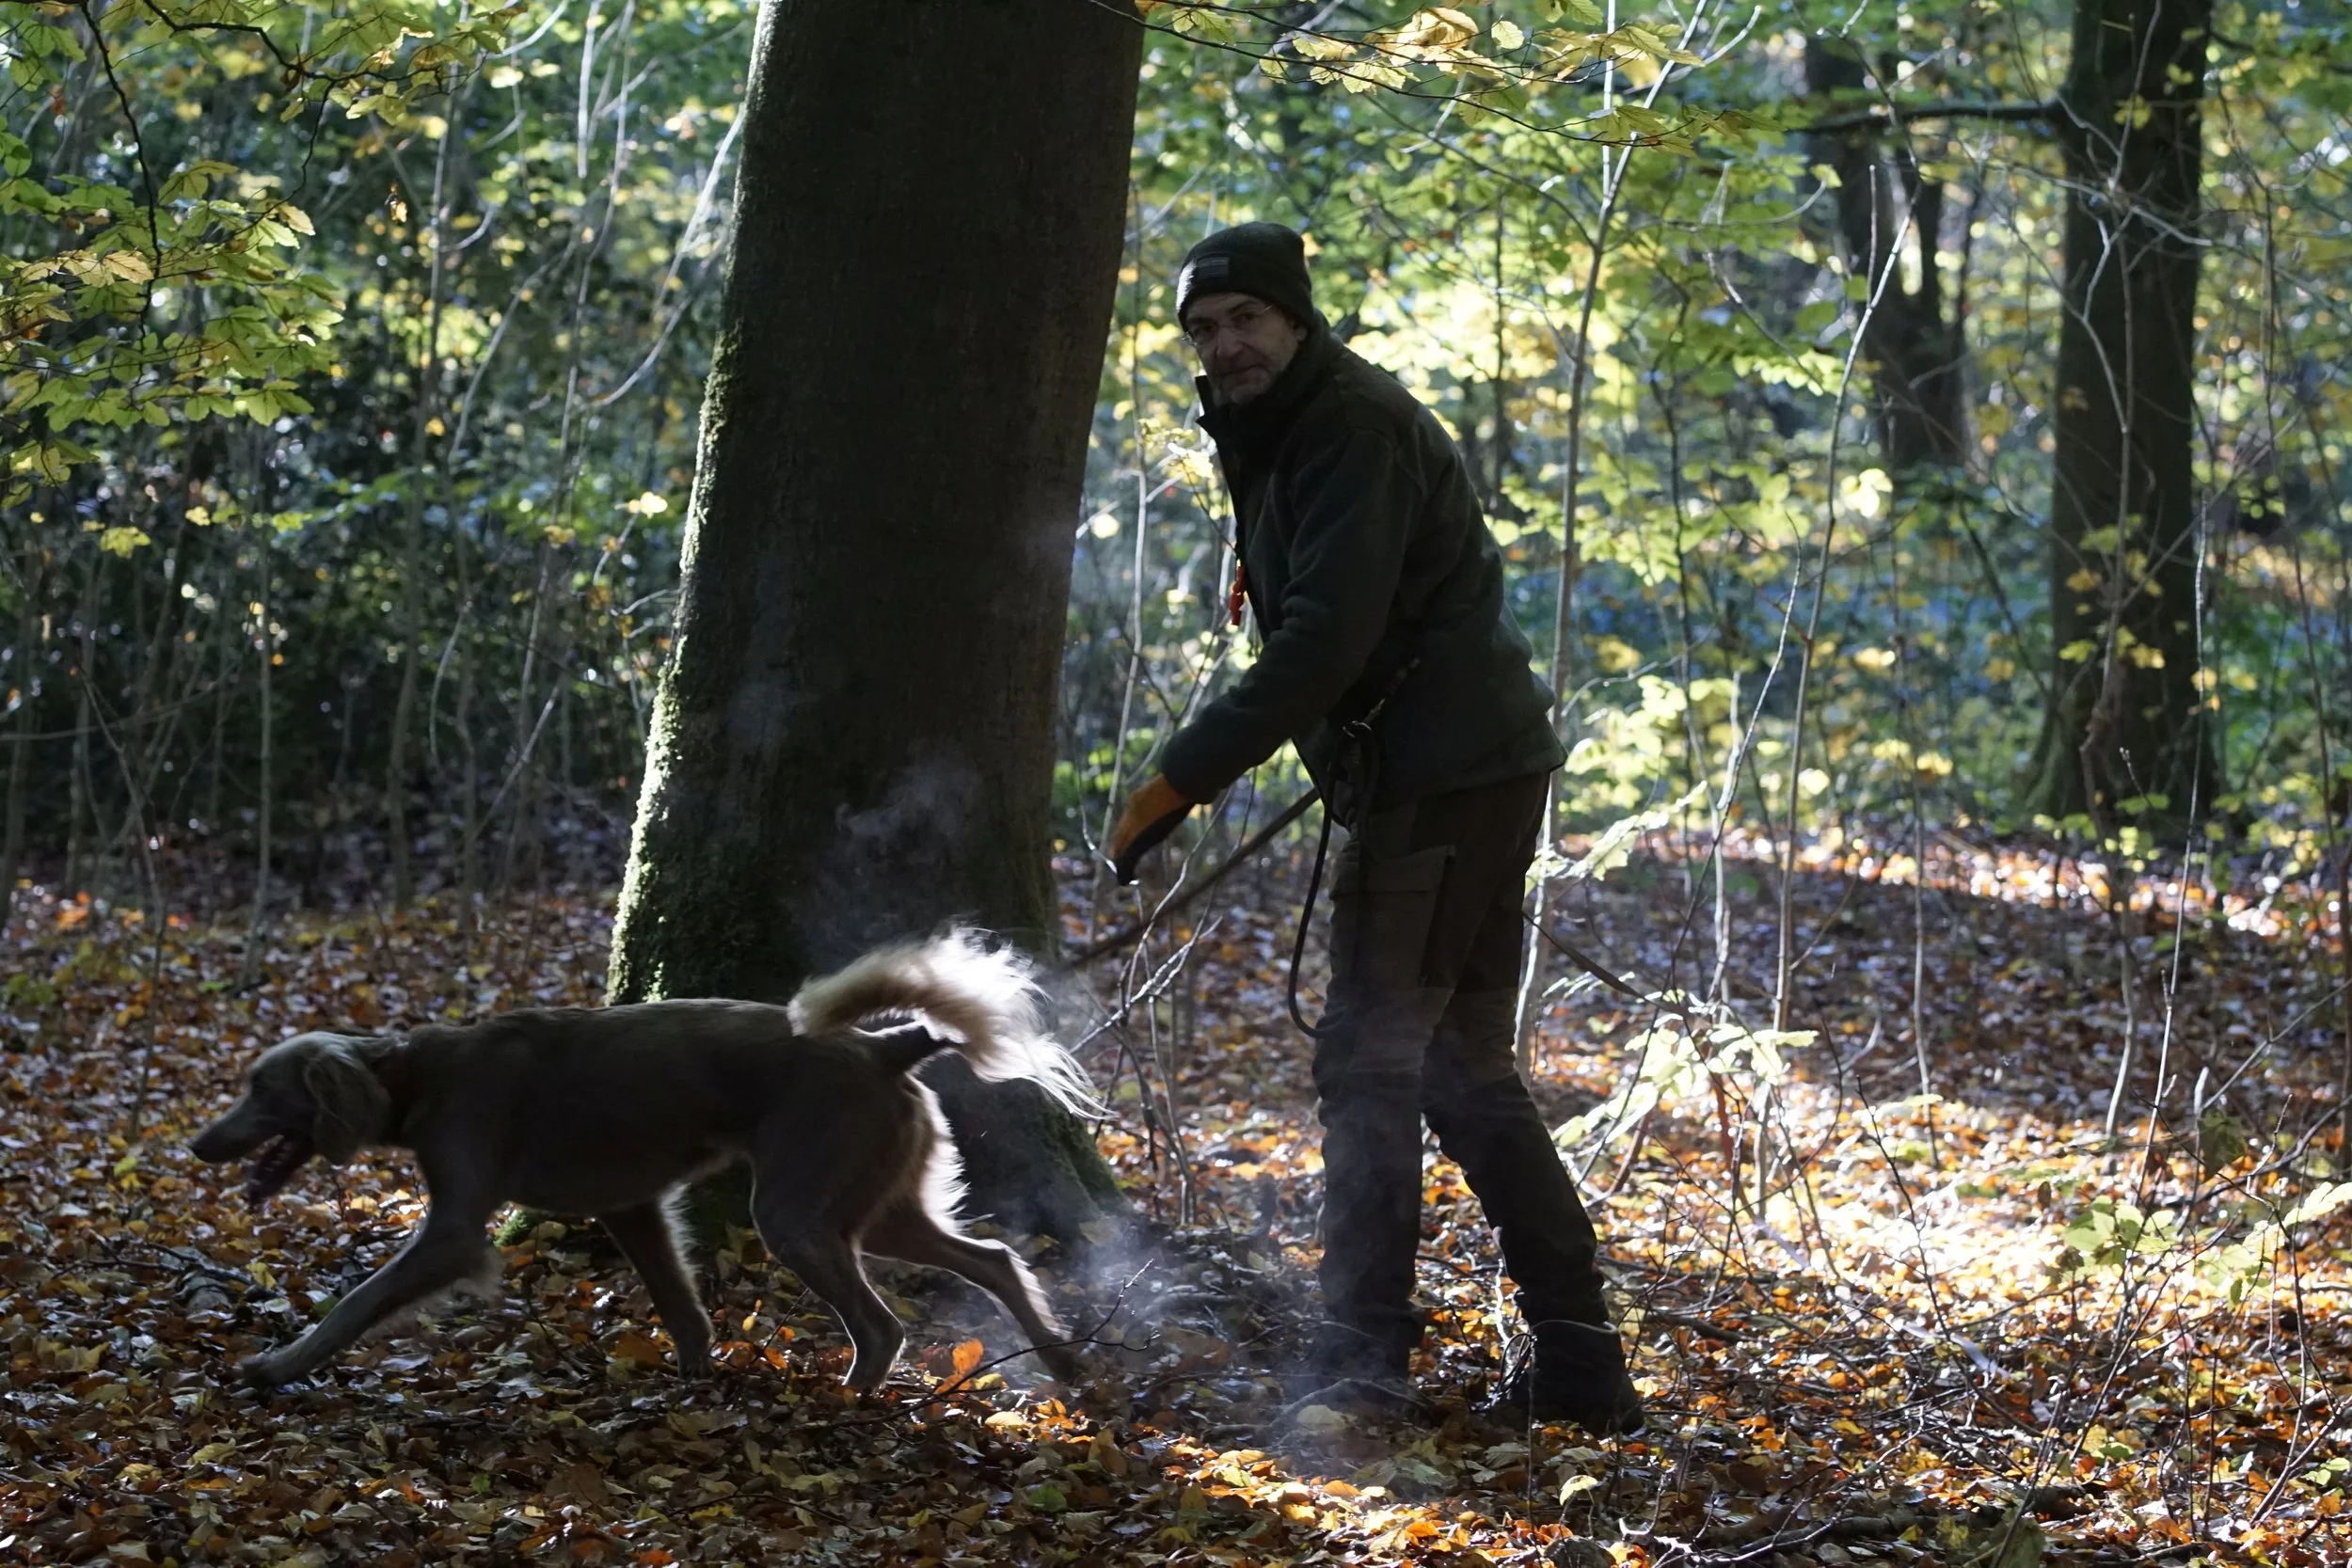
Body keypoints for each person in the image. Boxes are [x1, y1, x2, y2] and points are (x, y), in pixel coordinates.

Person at [1106, 222, 1645, 1436]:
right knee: (1460, 1066)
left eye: (1246, 318)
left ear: (1296, 319)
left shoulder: (1348, 426)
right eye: (1203, 328)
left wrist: (1173, 782)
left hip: (1443, 777)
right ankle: (1579, 1366)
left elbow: (1325, 640)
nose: (1225, 345)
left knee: (1372, 1061)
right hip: (1453, 770)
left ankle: (1358, 1367)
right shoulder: (1277, 427)